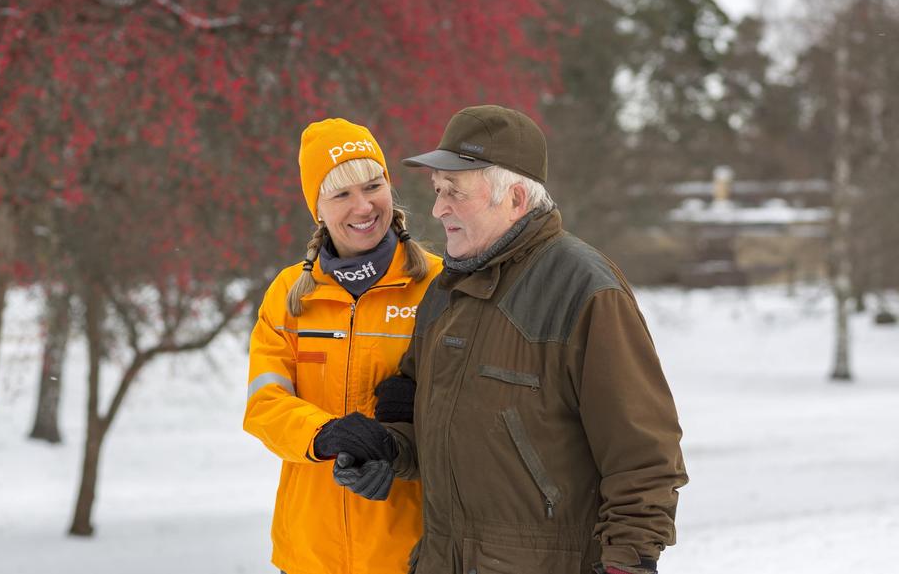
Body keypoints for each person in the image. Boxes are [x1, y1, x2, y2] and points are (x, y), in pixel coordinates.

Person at [328, 105, 688, 574]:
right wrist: (388, 449)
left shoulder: (584, 289)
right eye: (437, 191)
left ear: (515, 198)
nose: (438, 209)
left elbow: (644, 457)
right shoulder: (444, 292)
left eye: (455, 192)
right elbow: (432, 420)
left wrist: (627, 564)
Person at [243, 118, 443, 574]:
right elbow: (264, 404)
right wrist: (323, 434)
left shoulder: (438, 285)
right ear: (317, 208)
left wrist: (401, 440)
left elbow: (469, 411)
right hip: (309, 553)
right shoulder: (289, 294)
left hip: (412, 551)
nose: (363, 206)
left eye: (373, 185)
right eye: (341, 194)